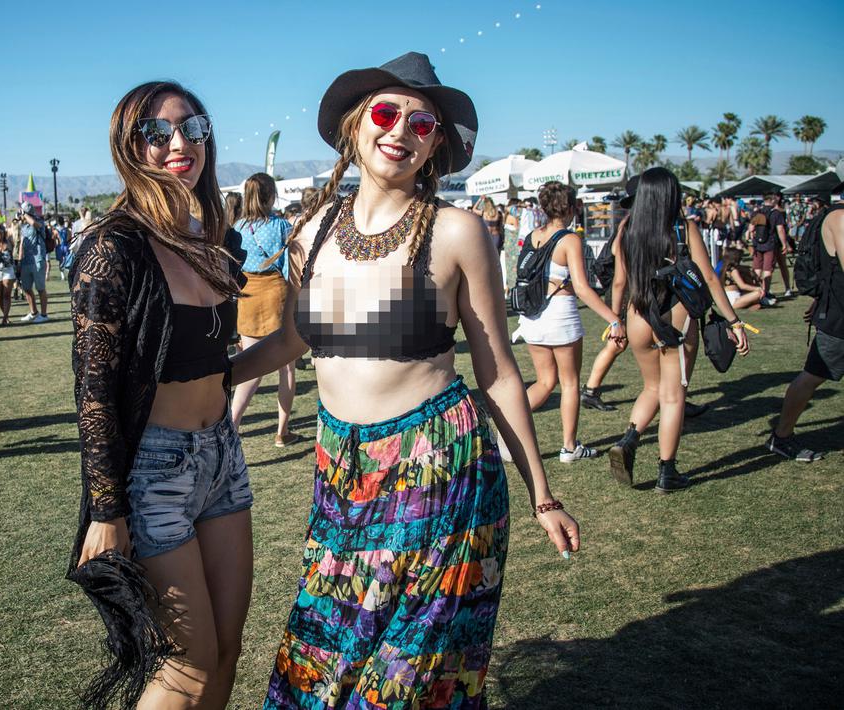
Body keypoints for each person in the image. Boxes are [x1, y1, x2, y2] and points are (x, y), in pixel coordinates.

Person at [230, 53, 578, 706]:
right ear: (355, 127)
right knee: (324, 654)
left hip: (437, 472)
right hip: (340, 471)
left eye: (422, 124)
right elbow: (294, 338)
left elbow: (498, 371)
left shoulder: (457, 232)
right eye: (387, 114)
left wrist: (542, 493)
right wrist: (217, 375)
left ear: (436, 144)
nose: (401, 131)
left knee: (407, 678)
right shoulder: (312, 230)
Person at [70, 80, 252, 709]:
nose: (180, 143)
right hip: (153, 472)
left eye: (193, 127)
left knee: (226, 648)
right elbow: (93, 391)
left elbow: (215, 361)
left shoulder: (211, 242)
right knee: (188, 664)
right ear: (131, 146)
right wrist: (104, 507)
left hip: (222, 457)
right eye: (158, 132)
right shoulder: (112, 247)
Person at [607, 167, 750, 492]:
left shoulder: (627, 228)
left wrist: (615, 321)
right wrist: (734, 321)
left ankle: (630, 438)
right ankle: (666, 471)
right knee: (673, 396)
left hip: (638, 314)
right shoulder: (683, 229)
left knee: (651, 387)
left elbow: (619, 281)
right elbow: (711, 279)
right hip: (676, 317)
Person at [514, 181, 625, 462]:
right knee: (570, 383)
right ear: (571, 207)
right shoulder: (570, 239)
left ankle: (507, 432)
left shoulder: (532, 235)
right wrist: (613, 319)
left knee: (544, 381)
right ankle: (569, 446)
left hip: (533, 316)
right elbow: (583, 288)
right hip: (560, 314)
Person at [769, 206, 843, 462]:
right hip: (839, 318)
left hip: (834, 311)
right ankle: (782, 436)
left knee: (812, 376)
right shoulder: (840, 218)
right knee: (812, 376)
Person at [230, 172, 297, 446]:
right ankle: (282, 432)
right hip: (276, 294)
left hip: (247, 295)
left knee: (252, 366)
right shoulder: (282, 226)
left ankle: (232, 426)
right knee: (287, 368)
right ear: (271, 195)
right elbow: (290, 267)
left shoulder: (238, 227)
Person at [14, 203, 49, 323]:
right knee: (26, 288)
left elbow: (34, 224)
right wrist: (19, 260)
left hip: (38, 259)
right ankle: (33, 312)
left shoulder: (38, 220)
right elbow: (22, 243)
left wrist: (24, 215)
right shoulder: (23, 225)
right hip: (26, 261)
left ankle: (44, 315)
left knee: (40, 288)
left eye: (22, 212)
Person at [720, 247, 765, 311]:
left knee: (754, 293)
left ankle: (749, 305)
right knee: (758, 293)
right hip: (733, 301)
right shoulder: (733, 270)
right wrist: (757, 288)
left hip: (734, 297)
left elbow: (746, 269)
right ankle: (749, 305)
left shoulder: (726, 267)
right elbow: (742, 286)